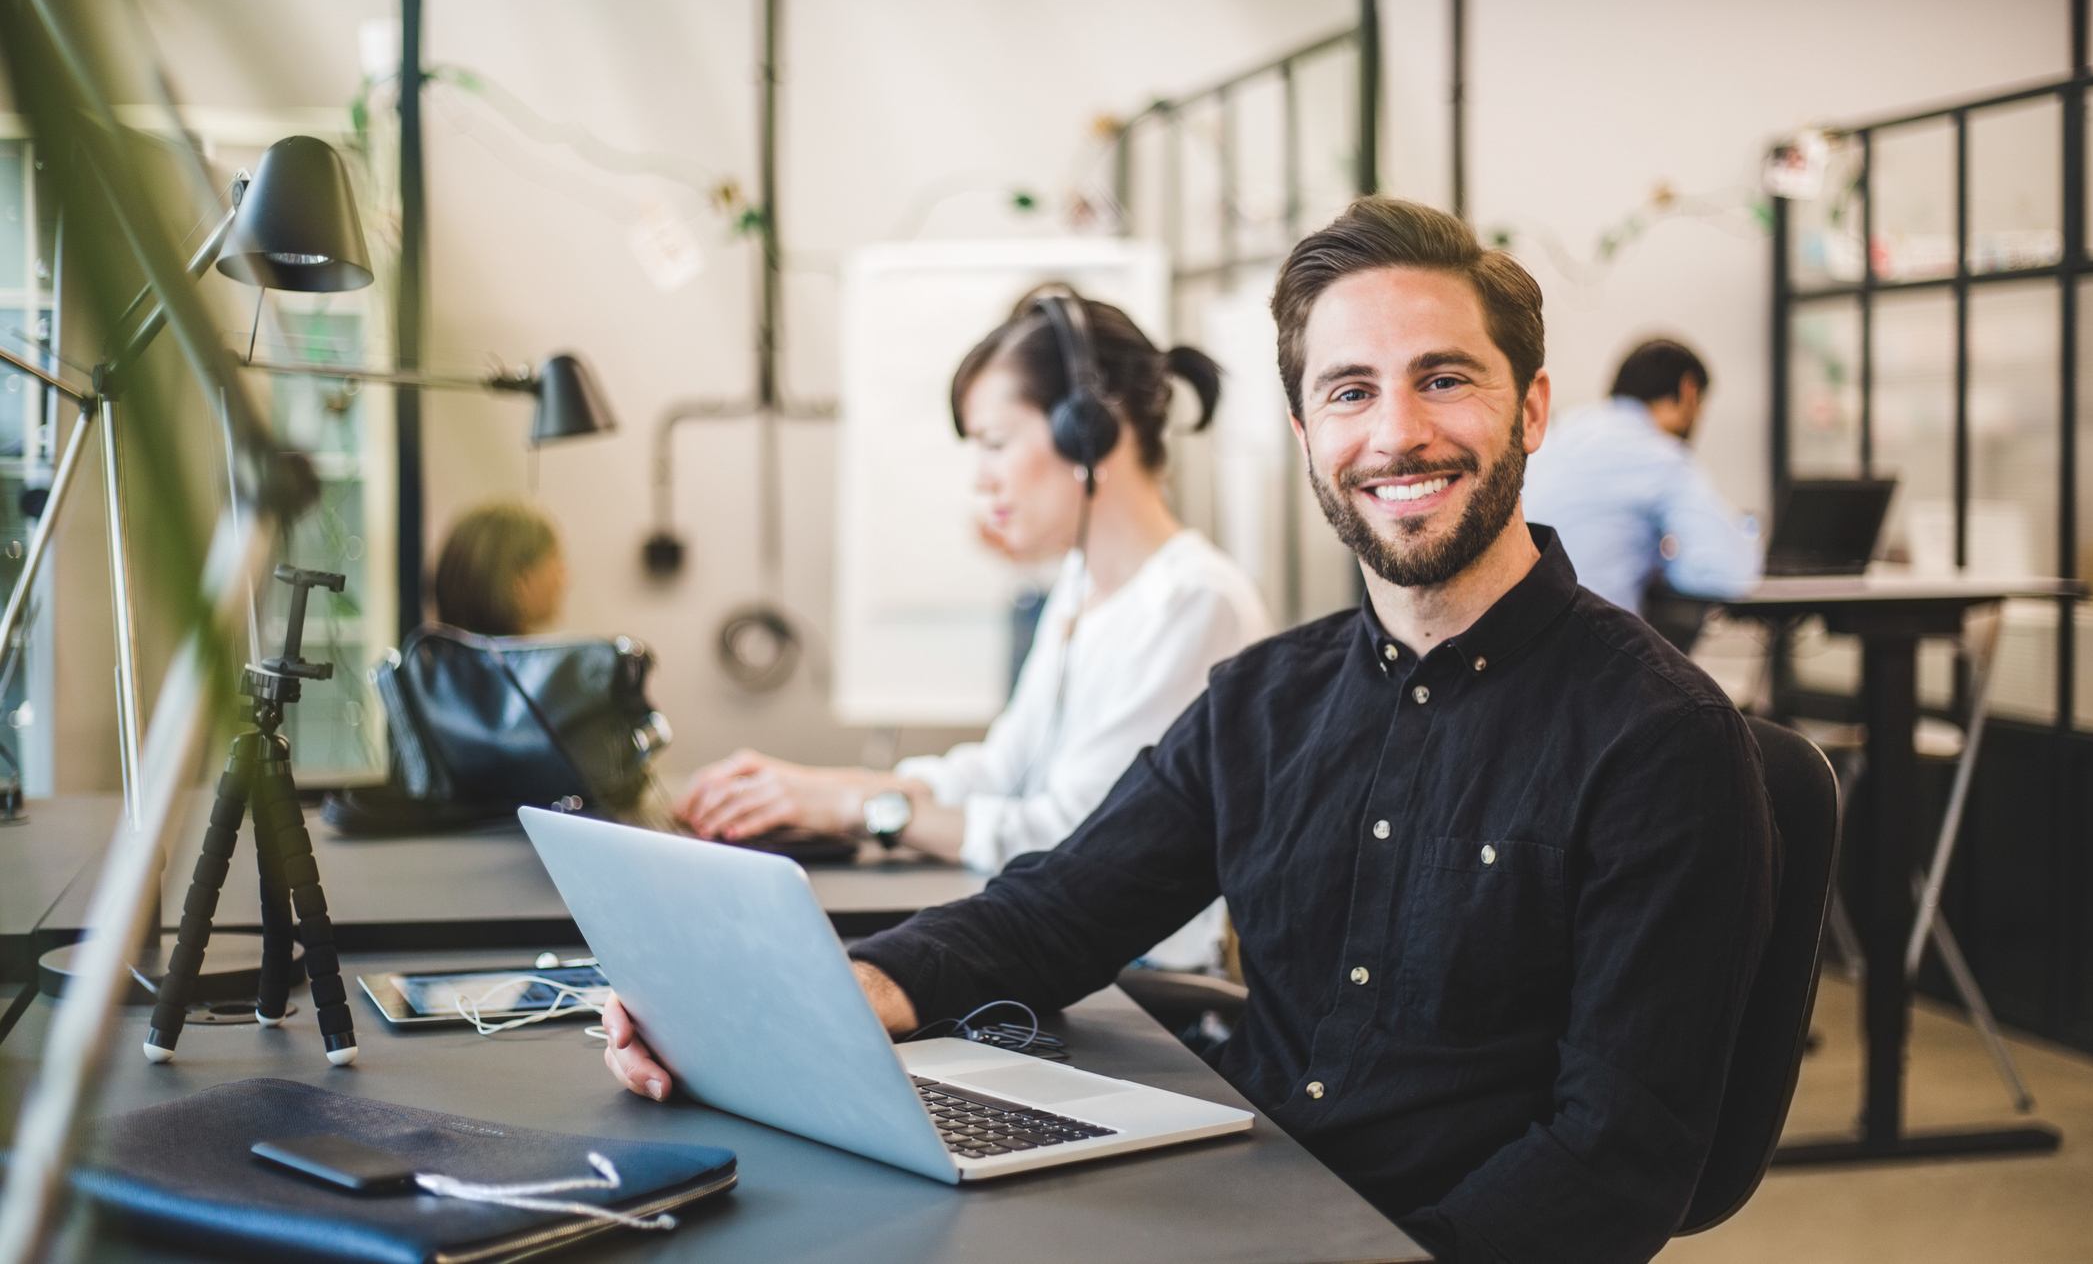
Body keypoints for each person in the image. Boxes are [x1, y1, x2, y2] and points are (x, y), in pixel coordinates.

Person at [607, 200, 1776, 1264]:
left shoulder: (1660, 739)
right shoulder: (1261, 702)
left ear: (1531, 407)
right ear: (1307, 429)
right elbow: (1059, 908)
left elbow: (1614, 1162)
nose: (1397, 434)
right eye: (1351, 390)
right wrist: (818, 996)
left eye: (1445, 379)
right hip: (1235, 1199)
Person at [675, 286, 1271, 969]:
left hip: (1138, 987)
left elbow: (1072, 841)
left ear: (1089, 428)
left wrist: (856, 809)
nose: (981, 481)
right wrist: (817, 788)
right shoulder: (1082, 585)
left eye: (994, 443)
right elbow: (1001, 772)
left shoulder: (1192, 604)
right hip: (1061, 949)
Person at [1520, 338, 1761, 615]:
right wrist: (1666, 563)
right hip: (1587, 643)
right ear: (1689, 389)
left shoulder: (1564, 429)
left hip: (1514, 634)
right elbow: (1727, 571)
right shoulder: (1659, 453)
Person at [432, 499, 569, 636]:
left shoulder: (429, 654)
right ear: (519, 583)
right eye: (554, 558)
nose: (563, 579)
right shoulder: (561, 657)